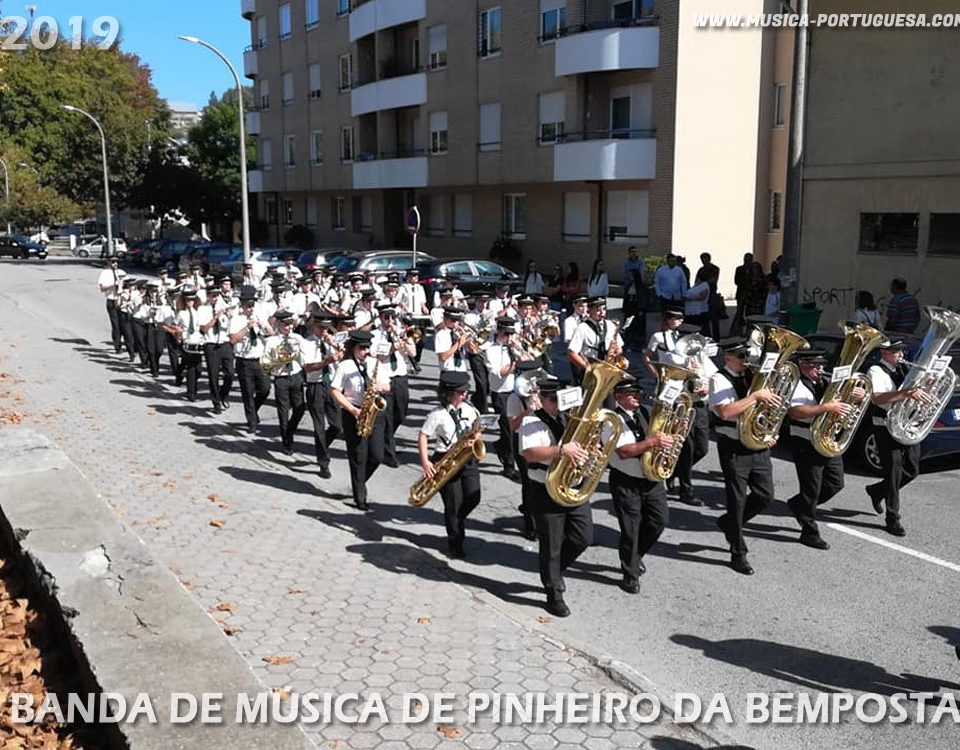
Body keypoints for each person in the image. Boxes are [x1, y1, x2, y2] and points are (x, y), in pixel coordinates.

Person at [519, 379, 591, 617]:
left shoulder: (571, 419)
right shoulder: (531, 421)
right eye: (553, 401)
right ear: (543, 399)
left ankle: (554, 571)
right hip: (545, 489)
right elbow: (529, 453)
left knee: (582, 537)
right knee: (551, 545)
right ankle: (553, 594)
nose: (558, 406)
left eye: (561, 400)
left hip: (573, 486)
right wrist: (561, 450)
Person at [709, 339, 781, 575]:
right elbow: (725, 411)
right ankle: (738, 553)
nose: (745, 361)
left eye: (746, 356)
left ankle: (730, 523)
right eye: (741, 357)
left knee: (765, 496)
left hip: (758, 445)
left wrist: (772, 432)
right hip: (734, 446)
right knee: (737, 500)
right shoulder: (718, 379)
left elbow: (771, 409)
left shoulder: (752, 376)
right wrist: (756, 396)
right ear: (727, 357)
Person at [602, 378, 673, 593]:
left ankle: (636, 555)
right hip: (626, 480)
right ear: (619, 396)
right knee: (630, 529)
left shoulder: (646, 412)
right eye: (632, 394)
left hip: (651, 479)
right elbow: (623, 452)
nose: (637, 397)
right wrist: (652, 443)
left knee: (658, 521)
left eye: (639, 393)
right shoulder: (610, 421)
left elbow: (663, 435)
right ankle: (630, 574)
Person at [785, 349, 861, 549]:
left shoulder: (826, 382)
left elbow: (844, 404)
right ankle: (808, 532)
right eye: (815, 366)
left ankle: (798, 504)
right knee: (811, 489)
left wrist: (856, 395)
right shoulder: (795, 383)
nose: (820, 369)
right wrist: (826, 408)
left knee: (836, 483)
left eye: (822, 365)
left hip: (827, 439)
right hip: (805, 442)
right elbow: (794, 412)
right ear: (802, 364)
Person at [417, 371, 483, 558]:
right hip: (445, 458)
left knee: (473, 496)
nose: (465, 395)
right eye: (461, 392)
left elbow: (476, 429)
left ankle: (457, 521)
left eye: (466, 392)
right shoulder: (437, 414)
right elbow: (423, 436)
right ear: (449, 393)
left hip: (467, 457)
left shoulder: (469, 410)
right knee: (453, 504)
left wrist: (475, 438)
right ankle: (455, 542)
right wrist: (425, 461)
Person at [865, 339, 926, 536]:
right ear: (884, 353)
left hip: (905, 424)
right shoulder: (876, 371)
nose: (901, 355)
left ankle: (877, 491)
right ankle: (893, 518)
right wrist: (906, 394)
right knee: (893, 472)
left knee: (912, 470)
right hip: (884, 426)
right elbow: (877, 398)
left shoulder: (902, 371)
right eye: (896, 352)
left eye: (901, 352)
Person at [330, 330, 389, 511]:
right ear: (354, 348)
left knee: (377, 456)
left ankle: (359, 482)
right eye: (362, 348)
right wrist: (352, 409)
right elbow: (334, 391)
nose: (365, 351)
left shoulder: (375, 364)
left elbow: (387, 386)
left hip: (374, 412)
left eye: (367, 348)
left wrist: (379, 386)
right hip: (354, 411)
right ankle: (360, 497)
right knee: (358, 456)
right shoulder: (345, 366)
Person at [371, 305, 415, 468]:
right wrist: (391, 348)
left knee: (401, 413)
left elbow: (413, 353)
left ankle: (384, 439)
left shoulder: (401, 332)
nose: (389, 321)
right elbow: (376, 357)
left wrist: (403, 338)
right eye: (386, 318)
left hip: (401, 377)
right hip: (386, 377)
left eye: (392, 317)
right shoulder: (375, 335)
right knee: (388, 417)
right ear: (380, 318)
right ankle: (388, 453)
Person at [485, 317, 527, 482]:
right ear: (499, 332)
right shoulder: (491, 350)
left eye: (511, 334)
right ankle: (509, 467)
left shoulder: (514, 347)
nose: (509, 338)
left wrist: (521, 350)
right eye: (506, 334)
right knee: (509, 430)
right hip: (501, 393)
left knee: (516, 429)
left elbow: (530, 360)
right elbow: (500, 372)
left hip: (517, 391)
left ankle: (501, 445)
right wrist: (515, 364)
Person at [229, 286, 273, 434]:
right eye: (248, 306)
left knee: (265, 389)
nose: (251, 308)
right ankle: (251, 422)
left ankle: (253, 410)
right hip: (245, 360)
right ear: (242, 306)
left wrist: (263, 326)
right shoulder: (237, 319)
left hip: (260, 359)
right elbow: (233, 339)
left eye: (252, 305)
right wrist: (247, 328)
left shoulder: (260, 316)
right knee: (247, 393)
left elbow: (272, 335)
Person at [262, 310, 307, 454]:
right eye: (286, 324)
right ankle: (286, 441)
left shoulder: (298, 338)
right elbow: (266, 363)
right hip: (281, 378)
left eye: (291, 324)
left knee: (300, 408)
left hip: (296, 375)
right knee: (283, 411)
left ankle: (290, 430)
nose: (289, 327)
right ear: (279, 324)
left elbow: (304, 357)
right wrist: (278, 362)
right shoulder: (271, 341)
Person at [567, 297, 627, 386]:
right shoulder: (582, 328)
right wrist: (587, 368)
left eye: (604, 309)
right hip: (591, 372)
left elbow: (619, 346)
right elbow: (571, 353)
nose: (602, 313)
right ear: (589, 310)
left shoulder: (611, 325)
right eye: (598, 310)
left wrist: (618, 351)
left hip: (608, 370)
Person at [198, 287, 235, 414]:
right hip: (211, 344)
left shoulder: (224, 307)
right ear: (208, 296)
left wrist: (230, 317)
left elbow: (232, 328)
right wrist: (215, 318)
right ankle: (216, 402)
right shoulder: (203, 309)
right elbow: (204, 329)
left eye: (217, 296)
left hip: (225, 343)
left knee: (230, 373)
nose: (215, 298)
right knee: (213, 375)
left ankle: (223, 393)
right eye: (212, 296)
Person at [97, 257, 126, 353]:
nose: (115, 263)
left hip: (122, 300)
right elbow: (102, 288)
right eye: (113, 262)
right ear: (109, 262)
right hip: (111, 300)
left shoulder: (121, 272)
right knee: (116, 325)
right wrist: (113, 284)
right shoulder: (105, 273)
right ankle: (117, 346)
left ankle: (129, 345)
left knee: (124, 324)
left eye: (117, 262)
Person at [699, 252, 723, 339]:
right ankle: (707, 336)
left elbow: (713, 280)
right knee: (704, 317)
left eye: (705, 259)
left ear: (709, 259)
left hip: (712, 293)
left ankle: (716, 338)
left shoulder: (715, 268)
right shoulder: (701, 270)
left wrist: (703, 282)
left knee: (714, 317)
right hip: (703, 294)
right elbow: (697, 281)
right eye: (702, 259)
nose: (703, 261)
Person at [729, 252, 754, 336]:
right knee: (739, 312)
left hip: (751, 295)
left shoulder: (754, 269)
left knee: (750, 313)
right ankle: (738, 331)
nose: (747, 262)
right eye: (746, 260)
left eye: (749, 260)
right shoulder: (739, 269)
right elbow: (736, 281)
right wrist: (746, 285)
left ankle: (749, 331)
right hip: (741, 293)